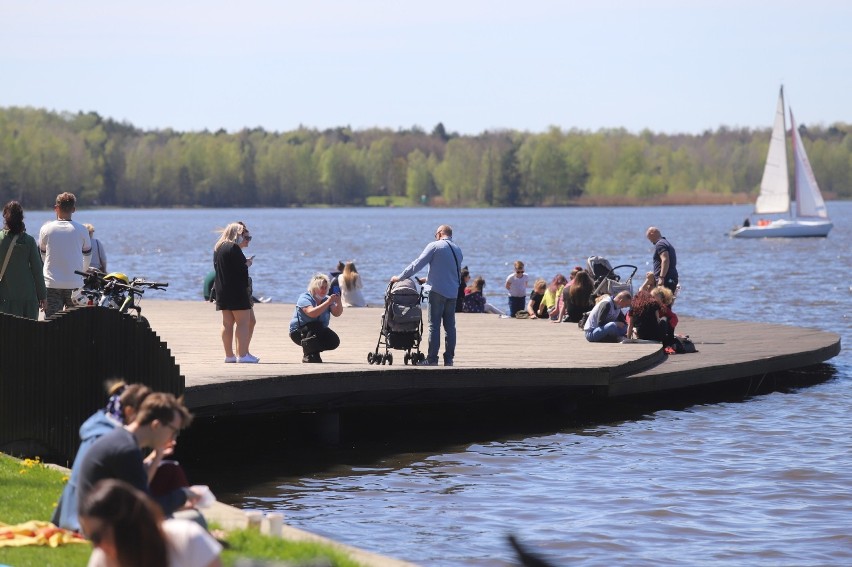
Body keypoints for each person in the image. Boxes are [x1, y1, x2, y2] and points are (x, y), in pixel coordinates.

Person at [76, 392, 202, 520]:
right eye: (173, 431)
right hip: (103, 528)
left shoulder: (120, 439)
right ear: (156, 425)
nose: (173, 437)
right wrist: (184, 494)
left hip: (97, 520)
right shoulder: (127, 449)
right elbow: (145, 508)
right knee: (195, 518)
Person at [52, 382, 152, 531]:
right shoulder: (115, 441)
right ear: (130, 412)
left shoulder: (101, 426)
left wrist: (157, 455)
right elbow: (139, 493)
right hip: (86, 522)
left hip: (71, 515)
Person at [79, 478, 222, 567]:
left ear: (125, 526)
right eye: (89, 537)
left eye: (97, 537)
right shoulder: (103, 560)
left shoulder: (188, 539)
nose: (95, 546)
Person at [391, 224, 463, 366]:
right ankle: (449, 359)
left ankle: (432, 359)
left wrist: (400, 277)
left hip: (437, 292)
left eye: (435, 234)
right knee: (450, 327)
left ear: (440, 233)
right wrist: (428, 278)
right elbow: (449, 271)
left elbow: (417, 264)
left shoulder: (435, 246)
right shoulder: (457, 249)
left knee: (434, 326)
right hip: (453, 292)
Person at [38, 192, 92, 319]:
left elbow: (43, 255)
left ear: (56, 208)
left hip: (51, 283)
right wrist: (81, 272)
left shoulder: (46, 229)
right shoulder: (82, 230)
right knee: (76, 324)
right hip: (75, 285)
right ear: (74, 209)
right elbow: (87, 257)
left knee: (52, 323)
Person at [212, 222, 258, 363]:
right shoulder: (233, 248)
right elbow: (240, 269)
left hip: (222, 290)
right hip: (236, 290)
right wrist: (248, 263)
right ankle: (242, 355)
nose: (246, 239)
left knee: (227, 323)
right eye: (244, 236)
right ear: (236, 234)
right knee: (243, 322)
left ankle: (229, 356)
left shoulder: (218, 247)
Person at [0, 201, 47, 319]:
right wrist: (43, 296)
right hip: (28, 299)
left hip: (5, 298)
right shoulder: (29, 241)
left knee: (6, 335)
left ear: (5, 218)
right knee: (28, 335)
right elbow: (37, 271)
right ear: (21, 218)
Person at [289, 273, 344, 363]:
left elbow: (337, 313)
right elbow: (312, 313)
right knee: (316, 326)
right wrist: (327, 303)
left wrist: (338, 302)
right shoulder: (305, 298)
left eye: (326, 287)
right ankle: (308, 354)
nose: (324, 290)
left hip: (316, 331)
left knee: (334, 340)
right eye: (321, 287)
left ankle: (313, 352)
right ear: (314, 288)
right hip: (298, 332)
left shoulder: (326, 299)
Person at [646, 226, 678, 294]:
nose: (650, 241)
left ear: (652, 233)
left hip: (666, 280)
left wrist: (661, 277)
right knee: (667, 302)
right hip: (671, 278)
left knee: (661, 303)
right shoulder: (666, 243)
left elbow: (665, 260)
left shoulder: (660, 244)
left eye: (649, 238)